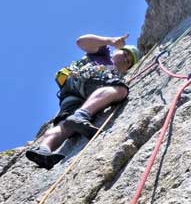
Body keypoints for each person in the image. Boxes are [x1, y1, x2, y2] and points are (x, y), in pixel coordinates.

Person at [26, 33, 141, 169]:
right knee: (120, 90)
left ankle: (44, 149)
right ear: (117, 51)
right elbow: (81, 41)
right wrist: (110, 41)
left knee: (66, 125)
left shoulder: (116, 72)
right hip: (89, 78)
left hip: (70, 93)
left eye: (128, 62)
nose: (126, 59)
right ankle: (81, 115)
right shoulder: (103, 55)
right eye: (125, 54)